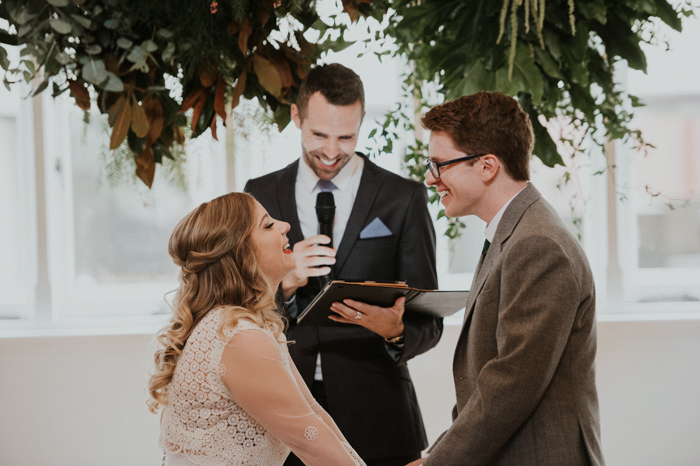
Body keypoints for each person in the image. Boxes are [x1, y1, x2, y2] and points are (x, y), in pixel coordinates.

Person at [245, 63, 442, 466]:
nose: (332, 151)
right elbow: (239, 308)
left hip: (381, 416)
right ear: (297, 117)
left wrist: (396, 330)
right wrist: (283, 284)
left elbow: (429, 320)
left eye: (346, 137)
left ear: (362, 122)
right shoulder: (258, 195)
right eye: (319, 134)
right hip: (281, 414)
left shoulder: (403, 198)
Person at [412, 92, 605, 465]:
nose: (430, 178)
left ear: (487, 166)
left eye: (439, 164)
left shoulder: (536, 243)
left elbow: (510, 385)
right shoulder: (513, 233)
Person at [148, 192, 366, 466]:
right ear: (240, 253)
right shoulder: (239, 337)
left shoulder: (250, 326)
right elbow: (308, 442)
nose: (285, 225)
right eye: (267, 225)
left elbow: (313, 415)